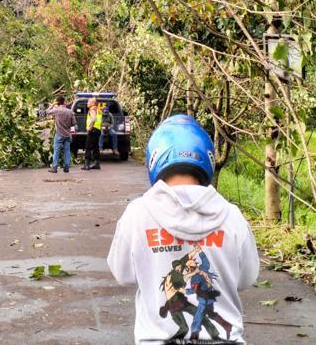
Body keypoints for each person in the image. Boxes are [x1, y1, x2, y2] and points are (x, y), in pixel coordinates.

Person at [107, 114, 258, 344]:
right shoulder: (232, 217)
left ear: (155, 159)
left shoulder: (137, 214)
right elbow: (247, 278)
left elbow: (123, 274)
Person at [47, 95, 74, 173]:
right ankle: (66, 167)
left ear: (57, 102)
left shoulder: (56, 110)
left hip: (59, 134)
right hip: (67, 134)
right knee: (67, 150)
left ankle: (54, 167)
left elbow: (47, 112)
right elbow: (73, 123)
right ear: (64, 102)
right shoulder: (70, 111)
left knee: (56, 150)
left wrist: (52, 105)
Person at [83, 97, 102, 170]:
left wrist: (89, 128)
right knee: (95, 147)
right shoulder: (98, 110)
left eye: (88, 102)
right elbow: (100, 120)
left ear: (93, 103)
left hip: (93, 130)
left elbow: (94, 119)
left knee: (88, 147)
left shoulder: (92, 109)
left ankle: (87, 164)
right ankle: (97, 164)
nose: (87, 103)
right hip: (97, 130)